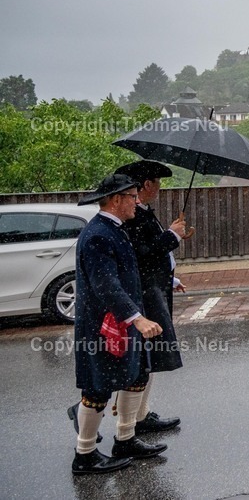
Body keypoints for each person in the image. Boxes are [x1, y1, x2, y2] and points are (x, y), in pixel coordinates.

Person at [71, 174, 167, 475]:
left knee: (137, 375)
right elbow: (106, 285)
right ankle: (84, 455)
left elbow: (126, 273)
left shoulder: (115, 229)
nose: (137, 202)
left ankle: (125, 439)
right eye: (132, 197)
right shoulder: (98, 235)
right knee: (97, 389)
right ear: (116, 200)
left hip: (122, 321)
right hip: (103, 325)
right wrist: (137, 318)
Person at [116, 160, 193, 432]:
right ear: (147, 184)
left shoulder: (144, 212)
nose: (160, 188)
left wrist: (170, 278)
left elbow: (152, 255)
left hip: (155, 288)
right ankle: (126, 418)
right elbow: (142, 254)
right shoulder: (133, 216)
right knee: (145, 357)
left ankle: (141, 413)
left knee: (151, 357)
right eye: (158, 182)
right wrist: (172, 235)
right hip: (145, 294)